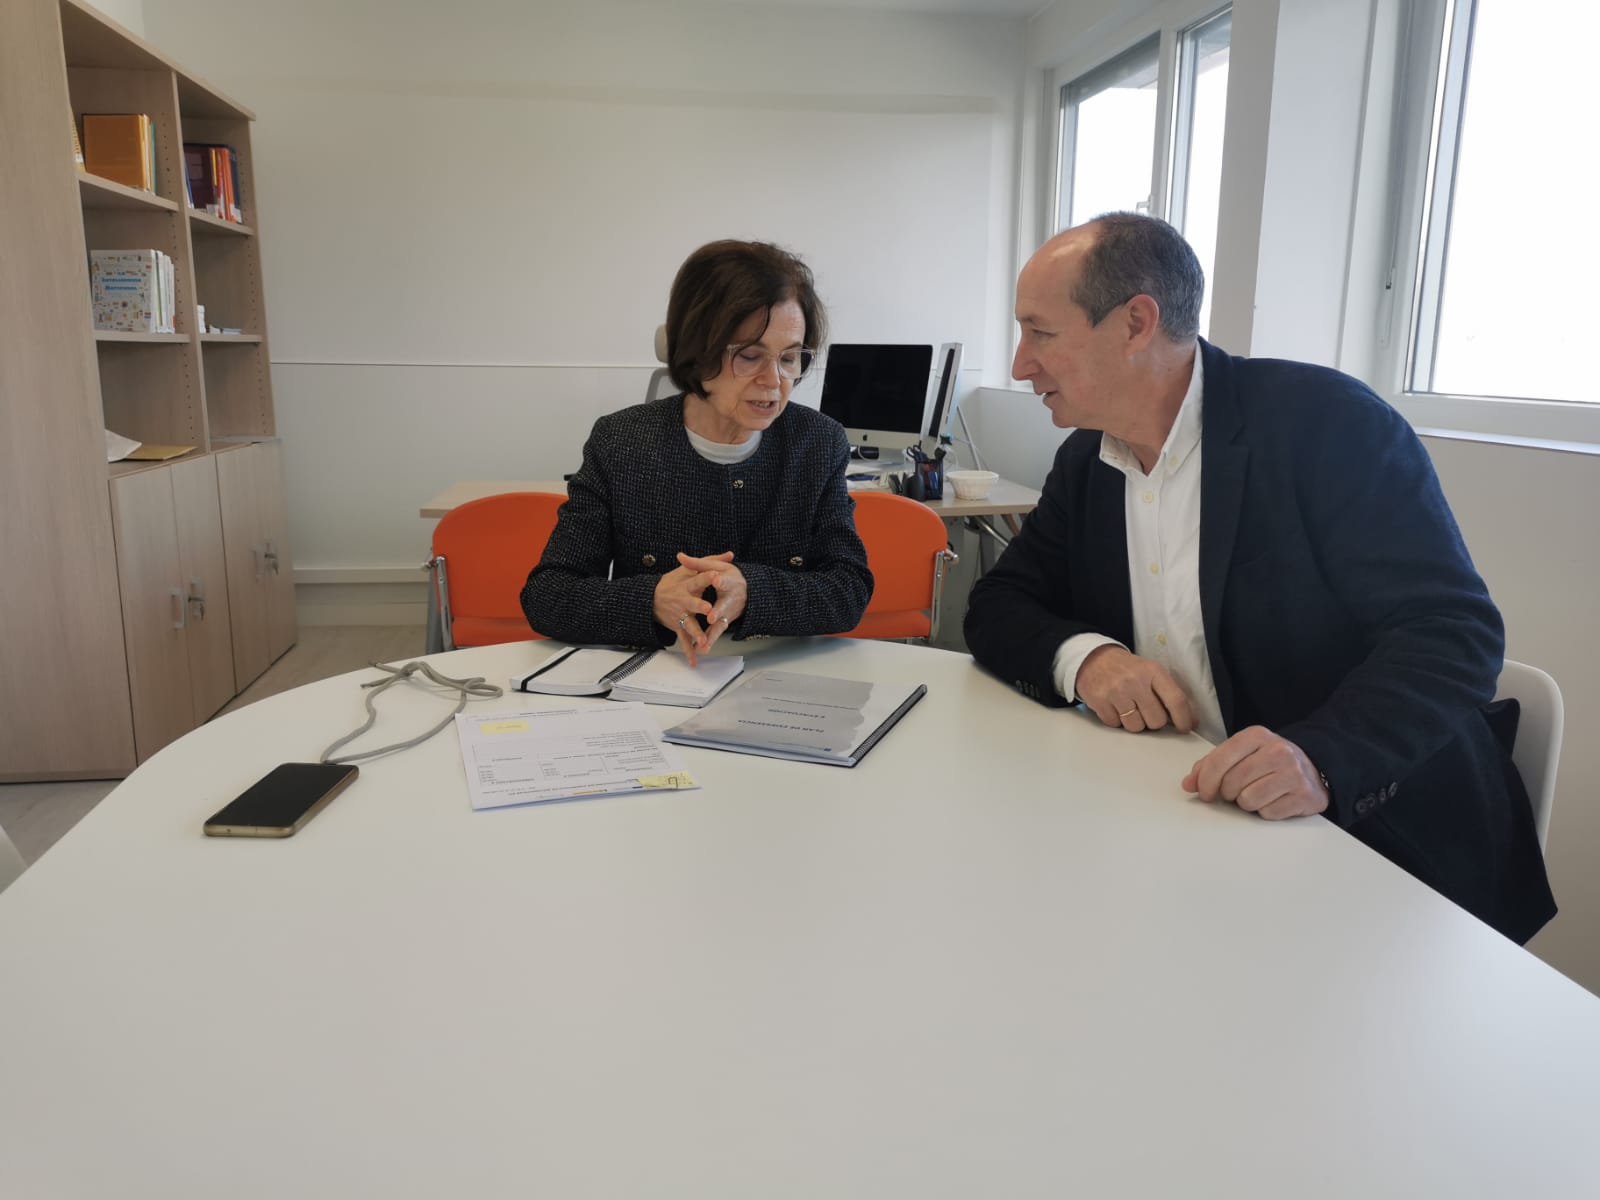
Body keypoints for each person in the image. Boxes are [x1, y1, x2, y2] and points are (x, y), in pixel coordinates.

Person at [965, 212, 1554, 944]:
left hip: (1379, 856)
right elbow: (999, 604)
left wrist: (1321, 759)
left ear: (1136, 323)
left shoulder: (1327, 425)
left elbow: (1452, 634)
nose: (1021, 365)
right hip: (1191, 832)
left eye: (1041, 333)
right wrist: (1089, 660)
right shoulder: (1089, 462)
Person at [522, 239, 872, 662]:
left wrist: (752, 591)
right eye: (749, 356)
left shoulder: (817, 442)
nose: (774, 380)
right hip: (657, 673)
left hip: (779, 672)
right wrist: (651, 599)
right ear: (696, 352)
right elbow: (548, 595)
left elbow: (849, 590)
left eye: (789, 358)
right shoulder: (622, 442)